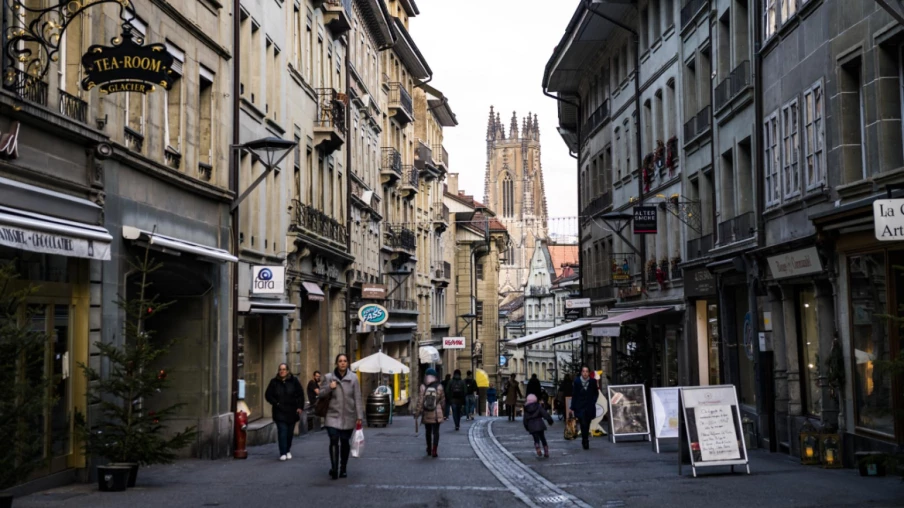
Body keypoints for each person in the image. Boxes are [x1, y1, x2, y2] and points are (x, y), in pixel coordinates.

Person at [320, 353, 363, 479]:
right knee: (333, 440)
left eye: (345, 361)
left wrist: (359, 416)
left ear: (348, 363)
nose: (343, 363)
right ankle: (334, 469)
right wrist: (329, 387)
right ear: (336, 363)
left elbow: (357, 397)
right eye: (340, 361)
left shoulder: (353, 378)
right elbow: (321, 394)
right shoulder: (329, 377)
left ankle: (343, 468)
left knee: (345, 442)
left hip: (348, 415)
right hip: (332, 415)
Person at [264, 363, 305, 461]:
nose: (282, 371)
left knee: (289, 433)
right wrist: (276, 403)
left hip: (292, 411)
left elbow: (300, 394)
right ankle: (282, 452)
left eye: (284, 369)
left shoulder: (294, 381)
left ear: (287, 371)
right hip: (279, 411)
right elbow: (268, 395)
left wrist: (300, 407)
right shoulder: (274, 382)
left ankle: (287, 450)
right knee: (282, 431)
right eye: (280, 369)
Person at [415, 367, 446, 458]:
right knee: (436, 432)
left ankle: (429, 448)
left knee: (428, 431)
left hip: (426, 412)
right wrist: (443, 412)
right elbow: (443, 401)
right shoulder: (439, 386)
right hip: (437, 413)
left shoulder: (423, 387)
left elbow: (420, 401)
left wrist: (417, 413)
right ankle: (434, 450)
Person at [570, 365, 600, 450]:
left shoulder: (593, 381)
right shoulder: (577, 381)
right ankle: (585, 440)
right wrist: (572, 407)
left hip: (589, 406)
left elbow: (596, 393)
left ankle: (584, 438)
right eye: (583, 371)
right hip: (580, 407)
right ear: (581, 372)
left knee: (587, 424)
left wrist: (593, 401)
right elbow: (574, 394)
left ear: (589, 373)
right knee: (583, 423)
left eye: (587, 371)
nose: (585, 373)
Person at [523, 393, 554, 458]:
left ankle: (537, 447)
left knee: (535, 438)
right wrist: (549, 420)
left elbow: (525, 419)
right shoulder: (538, 406)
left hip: (531, 426)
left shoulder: (526, 409)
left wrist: (526, 427)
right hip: (539, 424)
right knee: (543, 438)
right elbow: (545, 413)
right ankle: (546, 452)